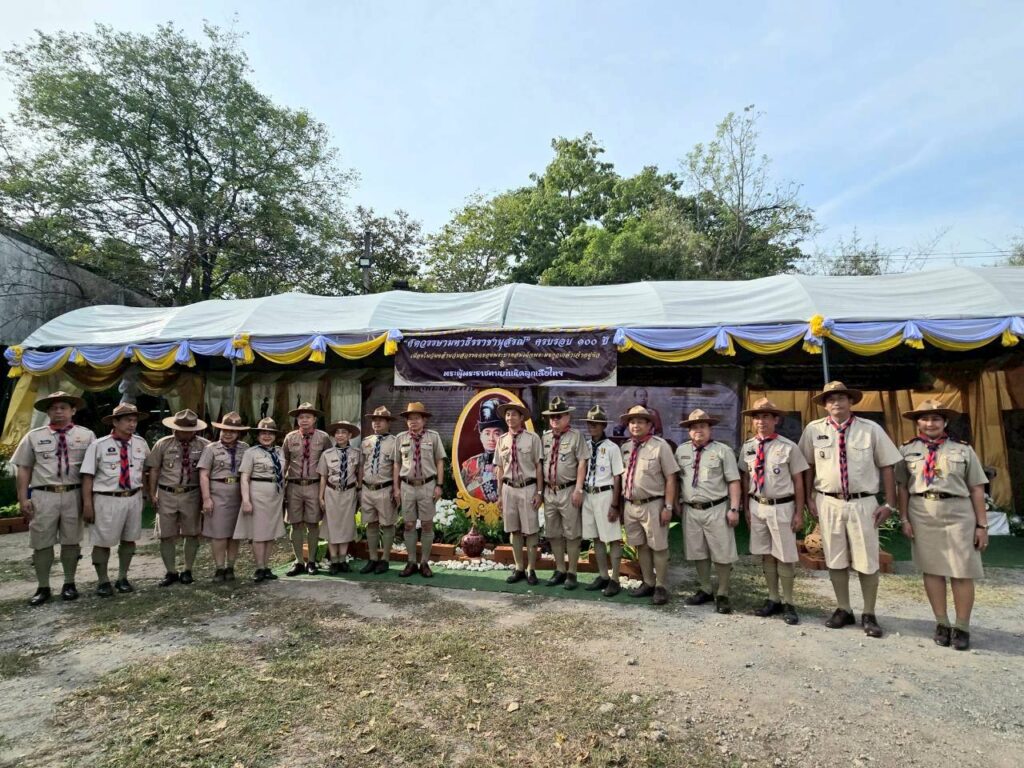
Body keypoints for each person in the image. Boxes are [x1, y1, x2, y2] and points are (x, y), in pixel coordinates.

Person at [798, 381, 901, 638]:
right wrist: (809, 497)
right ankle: (843, 608)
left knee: (867, 559)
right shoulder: (813, 430)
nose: (836, 403)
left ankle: (869, 613)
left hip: (862, 503)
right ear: (824, 405)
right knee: (835, 557)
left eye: (841, 398)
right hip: (828, 501)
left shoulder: (870, 429)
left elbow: (887, 465)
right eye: (830, 399)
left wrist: (890, 503)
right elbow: (807, 465)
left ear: (851, 401)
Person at [896, 399, 988, 650]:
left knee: (962, 571)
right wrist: (904, 519)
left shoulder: (963, 449)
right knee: (932, 570)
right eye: (924, 419)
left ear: (945, 422)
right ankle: (942, 623)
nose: (930, 423)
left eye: (936, 418)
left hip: (958, 513)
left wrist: (982, 526)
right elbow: (902, 487)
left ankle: (962, 627)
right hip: (922, 512)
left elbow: (977, 488)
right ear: (917, 423)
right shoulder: (906, 450)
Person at [12, 391, 96, 605]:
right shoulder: (33, 436)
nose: (58, 411)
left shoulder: (87, 436)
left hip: (73, 494)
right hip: (44, 494)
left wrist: (89, 501)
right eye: (54, 408)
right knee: (41, 541)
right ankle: (43, 587)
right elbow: (24, 468)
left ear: (73, 410)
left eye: (63, 407)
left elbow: (92, 470)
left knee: (71, 540)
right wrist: (23, 498)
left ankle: (69, 583)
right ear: (48, 412)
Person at [739, 398, 808, 625]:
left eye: (766, 416)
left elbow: (798, 481)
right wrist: (746, 508)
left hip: (782, 506)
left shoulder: (788, 447)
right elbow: (746, 478)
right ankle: (773, 598)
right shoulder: (748, 447)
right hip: (757, 505)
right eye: (757, 417)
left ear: (776, 419)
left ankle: (789, 602)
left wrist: (799, 512)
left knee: (785, 555)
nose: (761, 421)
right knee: (766, 554)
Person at [80, 403, 150, 597]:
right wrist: (87, 504)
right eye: (127, 420)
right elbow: (87, 476)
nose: (132, 424)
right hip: (107, 498)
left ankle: (123, 577)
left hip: (133, 496)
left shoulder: (140, 443)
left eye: (134, 420)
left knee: (129, 539)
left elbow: (144, 470)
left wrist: (144, 494)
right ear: (115, 422)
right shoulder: (99, 445)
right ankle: (103, 581)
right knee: (102, 541)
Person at [676, 409, 741, 613]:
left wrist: (734, 508)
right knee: (698, 551)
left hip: (717, 508)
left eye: (702, 426)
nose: (698, 430)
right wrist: (677, 501)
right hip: (691, 509)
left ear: (710, 429)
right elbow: (677, 480)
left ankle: (722, 593)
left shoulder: (723, 451)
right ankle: (705, 588)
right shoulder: (681, 451)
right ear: (689, 431)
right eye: (694, 427)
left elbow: (733, 481)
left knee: (722, 553)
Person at [620, 404, 679, 606]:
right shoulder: (626, 447)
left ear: (649, 425)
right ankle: (648, 582)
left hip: (653, 504)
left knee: (659, 546)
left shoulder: (660, 446)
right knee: (641, 546)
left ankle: (661, 586)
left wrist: (668, 507)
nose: (635, 425)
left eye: (640, 422)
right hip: (631, 505)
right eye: (632, 422)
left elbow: (671, 478)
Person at [146, 409, 210, 587]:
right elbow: (154, 469)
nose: (185, 433)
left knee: (192, 533)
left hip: (192, 493)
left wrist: (206, 497)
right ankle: (171, 572)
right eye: (181, 430)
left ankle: (188, 570)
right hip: (167, 492)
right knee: (166, 534)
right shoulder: (163, 444)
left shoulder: (205, 446)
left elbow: (208, 472)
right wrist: (152, 493)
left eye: (190, 430)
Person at [539, 396, 589, 590]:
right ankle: (560, 569)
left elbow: (582, 463)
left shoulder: (576, 436)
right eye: (552, 416)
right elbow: (540, 465)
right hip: (550, 491)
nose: (555, 419)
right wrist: (540, 492)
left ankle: (572, 573)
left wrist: (578, 489)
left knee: (572, 533)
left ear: (568, 417)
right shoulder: (545, 438)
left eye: (559, 416)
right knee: (553, 533)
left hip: (568, 490)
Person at [392, 402, 447, 577]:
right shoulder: (400, 438)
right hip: (407, 486)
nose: (413, 421)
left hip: (427, 485)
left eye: (417, 418)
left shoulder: (433, 437)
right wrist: (396, 488)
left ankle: (424, 562)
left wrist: (439, 485)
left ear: (424, 420)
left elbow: (440, 461)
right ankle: (411, 562)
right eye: (410, 419)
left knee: (426, 524)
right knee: (408, 525)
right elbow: (396, 464)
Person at [495, 401, 544, 585]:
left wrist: (539, 492)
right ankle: (519, 568)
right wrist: (500, 494)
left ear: (522, 417)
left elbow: (538, 467)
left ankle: (531, 569)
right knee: (514, 530)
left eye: (514, 414)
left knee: (531, 531)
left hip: (527, 488)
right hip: (509, 489)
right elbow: (500, 468)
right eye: (508, 415)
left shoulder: (532, 438)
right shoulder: (502, 440)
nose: (510, 418)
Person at [197, 411, 249, 582]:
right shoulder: (211, 449)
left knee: (235, 533)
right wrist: (206, 498)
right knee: (219, 534)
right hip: (218, 492)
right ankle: (219, 568)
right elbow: (204, 474)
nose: (228, 434)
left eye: (232, 431)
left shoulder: (245, 448)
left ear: (238, 433)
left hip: (238, 493)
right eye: (225, 430)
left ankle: (230, 567)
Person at [282, 402, 333, 575]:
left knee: (313, 523)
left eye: (308, 417)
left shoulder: (323, 438)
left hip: (314, 485)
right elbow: (285, 461)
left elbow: (329, 462)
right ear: (297, 420)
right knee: (295, 524)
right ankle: (298, 561)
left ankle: (311, 561)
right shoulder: (290, 438)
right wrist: (281, 484)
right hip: (294, 485)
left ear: (314, 419)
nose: (304, 420)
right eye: (301, 417)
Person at [579, 405, 625, 596]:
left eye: (596, 424)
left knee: (612, 538)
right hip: (589, 494)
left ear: (604, 425)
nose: (592, 427)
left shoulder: (612, 448)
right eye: (590, 423)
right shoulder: (586, 446)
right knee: (596, 537)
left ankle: (615, 579)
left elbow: (617, 477)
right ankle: (603, 575)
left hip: (605, 494)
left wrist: (615, 504)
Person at [236, 418, 287, 582]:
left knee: (271, 531)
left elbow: (282, 473)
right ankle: (259, 567)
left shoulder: (279, 451)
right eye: (263, 433)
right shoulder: (251, 453)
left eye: (270, 433)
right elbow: (244, 478)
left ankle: (266, 566)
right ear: (258, 436)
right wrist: (246, 500)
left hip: (275, 495)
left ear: (275, 436)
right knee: (258, 532)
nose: (266, 436)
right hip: (257, 493)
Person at [359, 406, 399, 574]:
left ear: (388, 423)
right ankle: (373, 558)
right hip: (368, 488)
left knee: (388, 524)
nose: (376, 423)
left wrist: (396, 489)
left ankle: (385, 559)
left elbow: (397, 466)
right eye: (374, 420)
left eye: (381, 420)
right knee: (371, 524)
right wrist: (359, 487)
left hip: (385, 488)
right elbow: (362, 465)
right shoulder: (366, 441)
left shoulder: (395, 442)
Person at [318, 420, 362, 574]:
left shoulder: (357, 453)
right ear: (334, 436)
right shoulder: (327, 454)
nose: (340, 435)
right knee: (332, 526)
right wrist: (320, 497)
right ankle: (334, 560)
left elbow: (359, 474)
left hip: (349, 493)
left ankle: (343, 559)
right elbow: (323, 476)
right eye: (337, 433)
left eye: (344, 432)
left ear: (350, 435)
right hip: (332, 492)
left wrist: (359, 491)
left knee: (346, 526)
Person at [460, 398, 507, 502]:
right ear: (481, 435)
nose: (491, 438)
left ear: (505, 435)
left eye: (497, 433)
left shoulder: (512, 462)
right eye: (487, 433)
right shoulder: (469, 465)